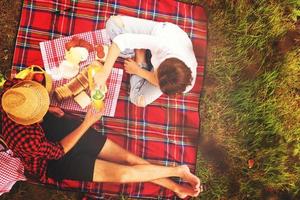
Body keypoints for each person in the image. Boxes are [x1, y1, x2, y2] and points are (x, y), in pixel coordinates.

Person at [0, 79, 201, 198]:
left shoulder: (13, 92)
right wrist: (87, 122)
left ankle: (175, 185)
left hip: (56, 129)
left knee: (129, 158)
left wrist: (47, 109)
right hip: (52, 162)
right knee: (123, 175)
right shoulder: (24, 140)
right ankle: (178, 171)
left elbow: (33, 99)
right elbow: (57, 151)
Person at [94, 15, 197, 107]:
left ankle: (139, 55)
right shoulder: (161, 43)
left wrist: (138, 70)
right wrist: (104, 73)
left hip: (160, 62)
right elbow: (119, 42)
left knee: (138, 100)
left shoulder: (186, 84)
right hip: (162, 32)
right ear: (159, 63)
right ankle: (137, 49)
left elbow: (156, 81)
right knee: (113, 24)